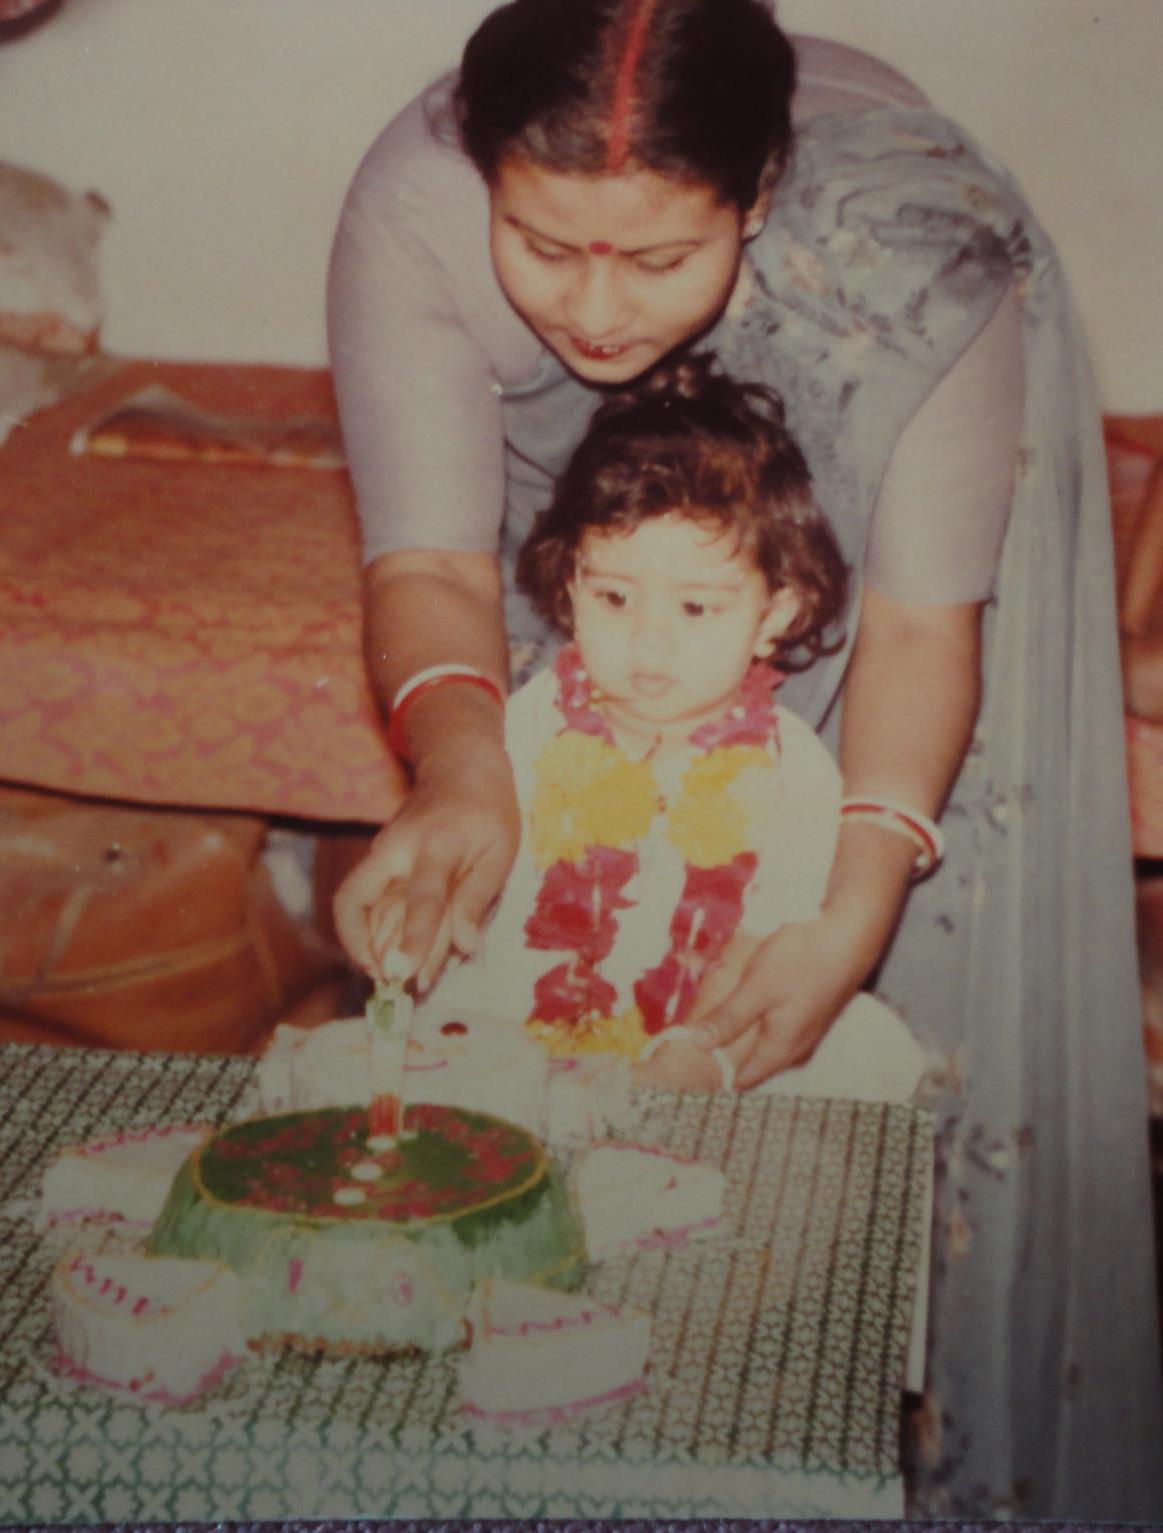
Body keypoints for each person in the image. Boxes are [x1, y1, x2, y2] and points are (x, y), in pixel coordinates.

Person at [326, 0, 1163, 1516]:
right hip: (648, 586)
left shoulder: (908, 251)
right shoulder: (415, 204)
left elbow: (913, 631)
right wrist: (462, 772)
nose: (589, 311)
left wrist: (850, 915)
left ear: (759, 194)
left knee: (857, 975)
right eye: (540, 244)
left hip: (876, 458)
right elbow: (434, 565)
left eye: (655, 260)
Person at [412, 353, 926, 1102]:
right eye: (616, 597)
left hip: (700, 1045)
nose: (649, 641)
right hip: (520, 1028)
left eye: (694, 608)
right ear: (569, 584)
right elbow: (476, 897)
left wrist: (693, 1054)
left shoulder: (794, 770)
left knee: (855, 1047)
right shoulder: (526, 725)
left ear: (773, 614)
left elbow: (765, 947)